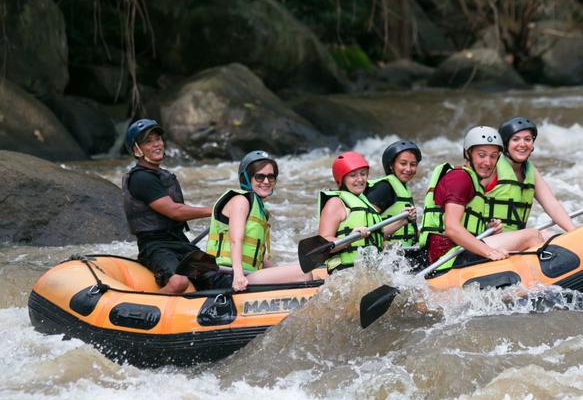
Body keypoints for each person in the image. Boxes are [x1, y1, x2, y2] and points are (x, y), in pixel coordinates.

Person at [419, 126, 544, 270]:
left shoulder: (473, 181)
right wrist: (489, 252)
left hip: (457, 253)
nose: (488, 162)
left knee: (543, 236)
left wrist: (486, 229)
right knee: (532, 236)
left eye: (493, 156)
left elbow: (463, 224)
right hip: (447, 260)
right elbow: (452, 228)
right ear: (468, 153)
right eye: (482, 155)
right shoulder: (460, 178)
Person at [121, 119, 211, 294]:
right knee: (178, 282)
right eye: (148, 141)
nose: (157, 144)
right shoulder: (141, 178)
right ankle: (145, 302)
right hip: (155, 247)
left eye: (158, 139)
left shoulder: (161, 175)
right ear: (136, 150)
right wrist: (214, 210)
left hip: (179, 242)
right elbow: (174, 211)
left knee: (216, 276)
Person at [205, 151, 314, 291]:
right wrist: (238, 276)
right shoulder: (240, 201)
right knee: (303, 273)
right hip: (225, 275)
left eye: (271, 177)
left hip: (247, 273)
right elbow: (235, 240)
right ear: (246, 178)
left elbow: (259, 259)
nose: (266, 181)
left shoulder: (260, 211)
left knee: (311, 274)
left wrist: (279, 271)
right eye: (260, 177)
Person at [486, 116, 576, 233]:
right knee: (533, 234)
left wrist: (574, 232)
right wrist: (486, 226)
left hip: (515, 240)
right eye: (516, 139)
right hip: (486, 240)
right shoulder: (491, 167)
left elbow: (552, 205)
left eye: (527, 139)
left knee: (546, 236)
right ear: (505, 144)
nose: (522, 144)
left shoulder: (530, 170)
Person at [317, 152, 394, 273]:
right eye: (353, 175)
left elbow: (377, 234)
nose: (360, 179)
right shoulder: (335, 203)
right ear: (341, 179)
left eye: (363, 174)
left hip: (369, 271)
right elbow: (322, 246)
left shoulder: (365, 202)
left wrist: (404, 220)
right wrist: (350, 238)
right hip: (345, 273)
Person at [364, 140, 421, 247]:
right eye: (403, 163)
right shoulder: (384, 188)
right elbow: (367, 232)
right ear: (391, 165)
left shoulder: (404, 190)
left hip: (405, 254)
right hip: (387, 257)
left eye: (413, 164)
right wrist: (401, 222)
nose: (408, 169)